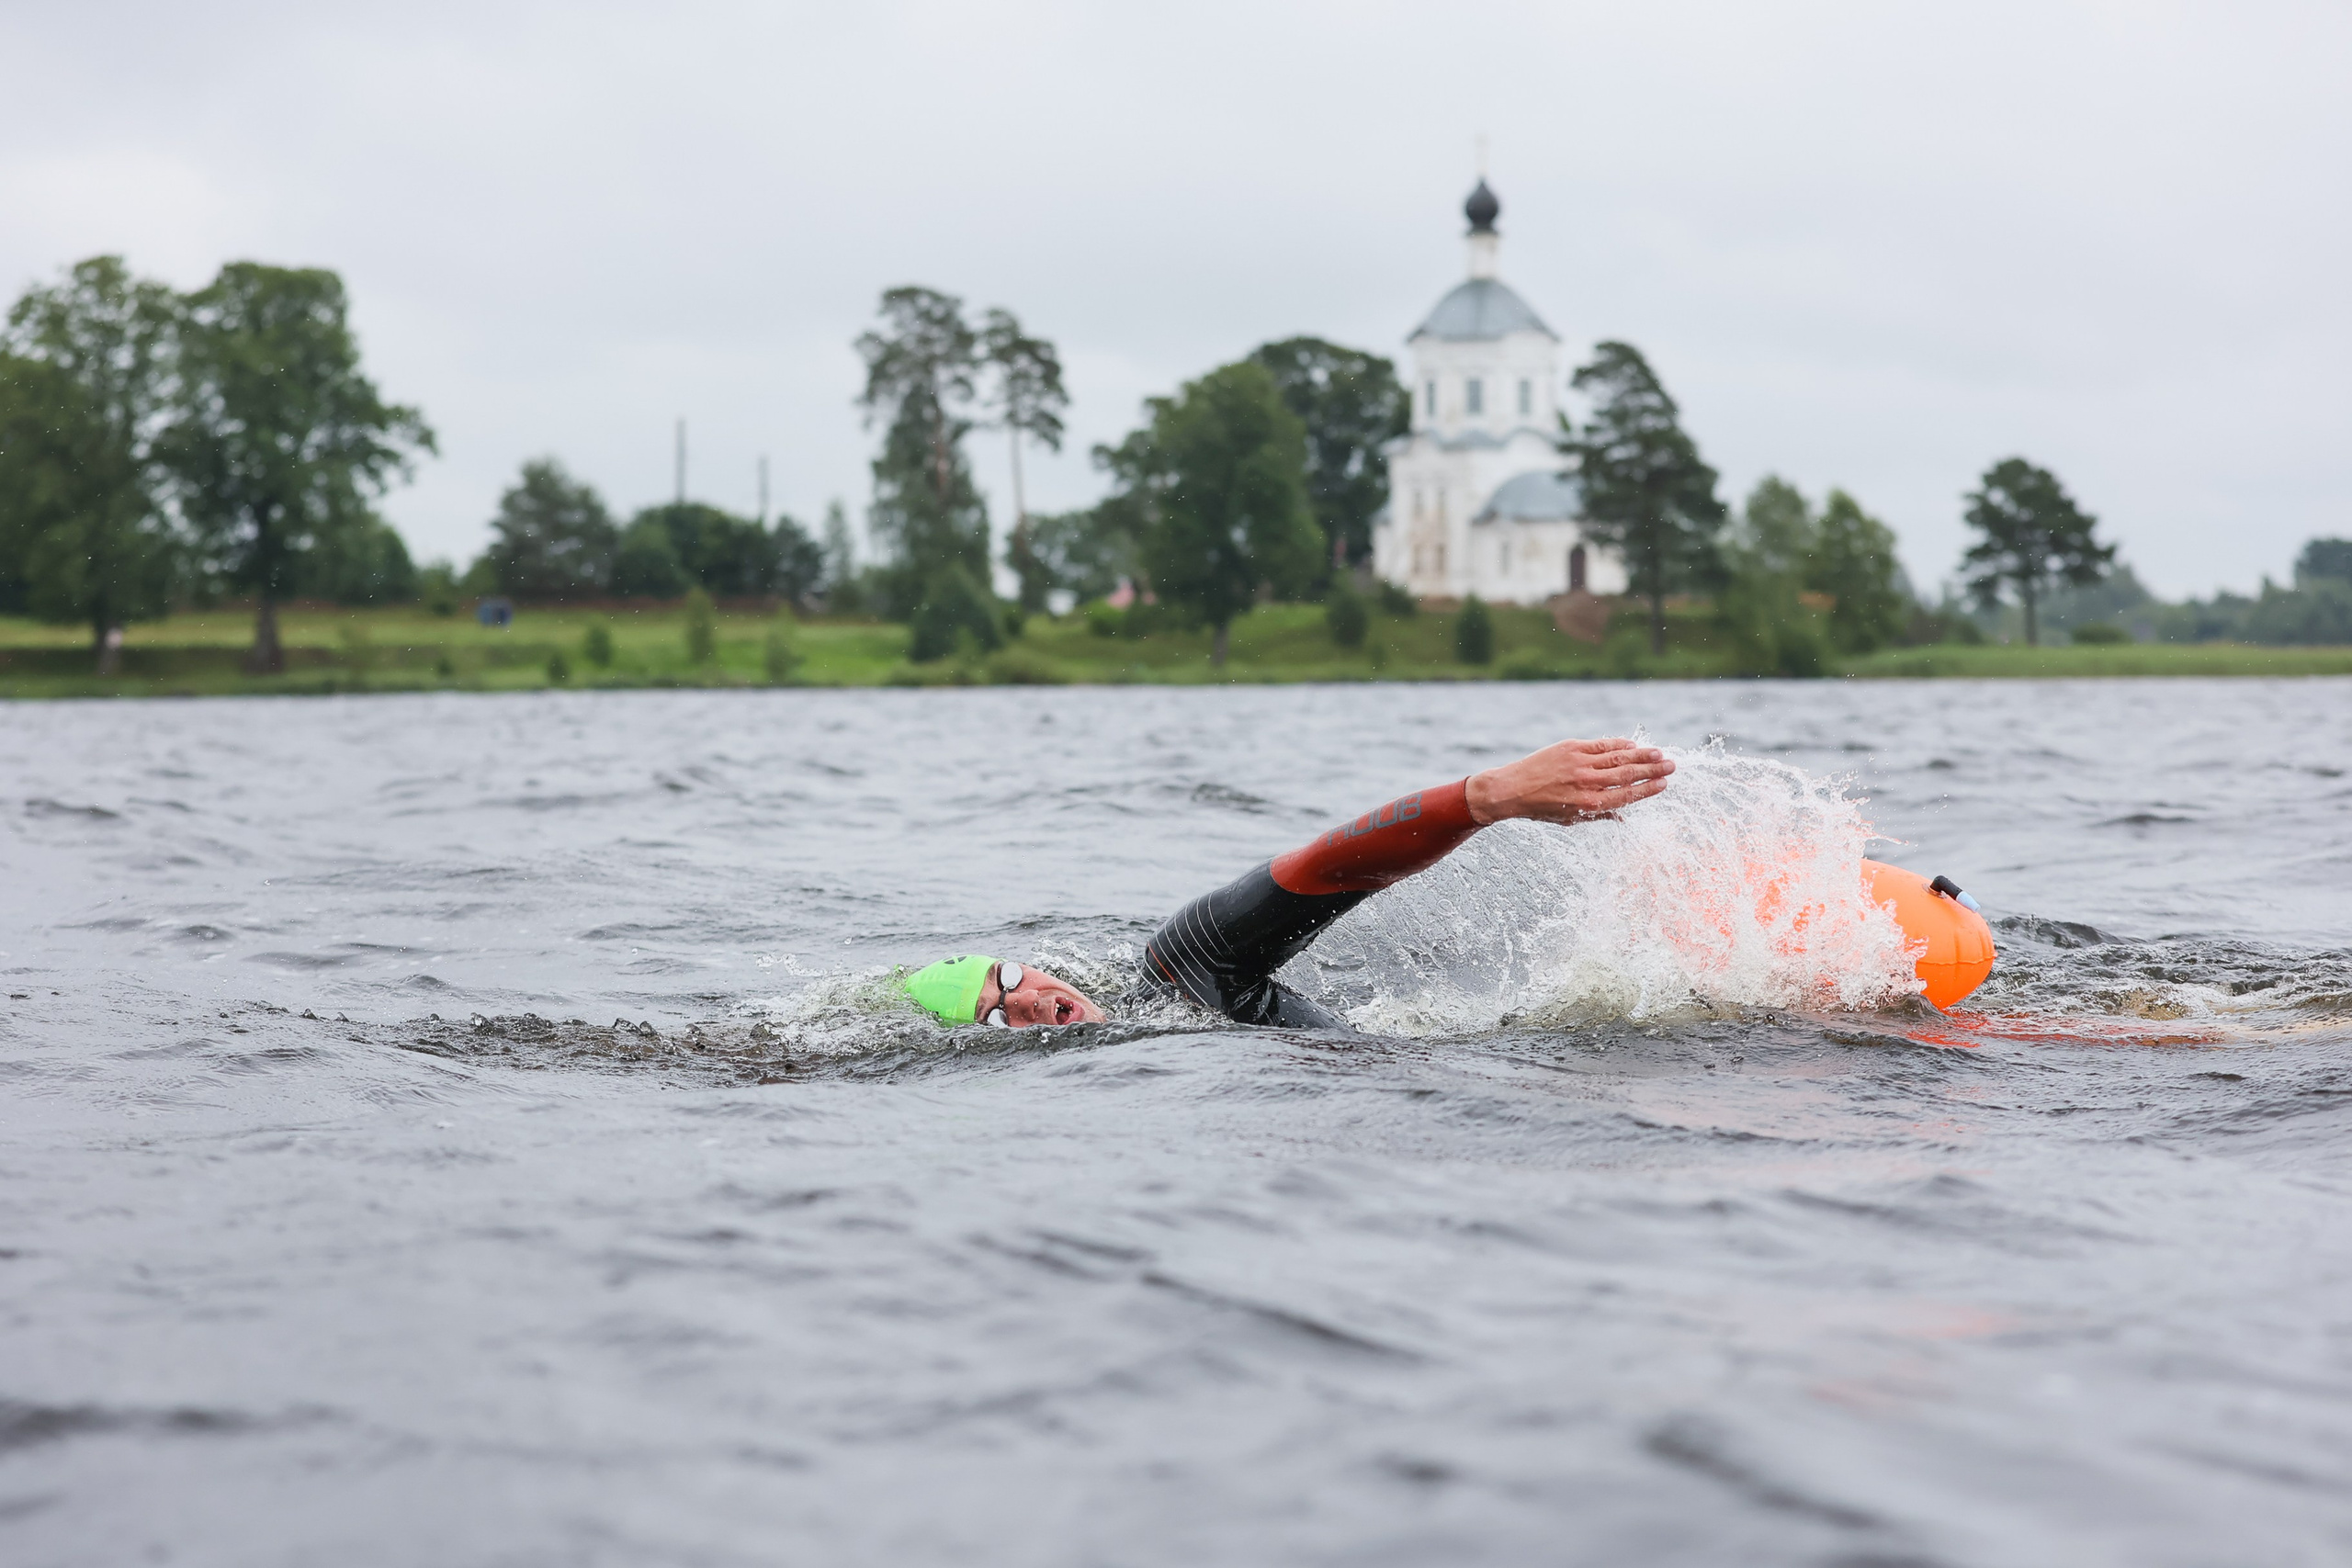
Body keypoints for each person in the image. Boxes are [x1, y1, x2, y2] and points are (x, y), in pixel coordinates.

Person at [899, 736, 1677, 1030]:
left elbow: (1321, 869)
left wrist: (1487, 796)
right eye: (996, 1019)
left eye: (1009, 979)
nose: (1027, 1001)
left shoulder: (1180, 967)